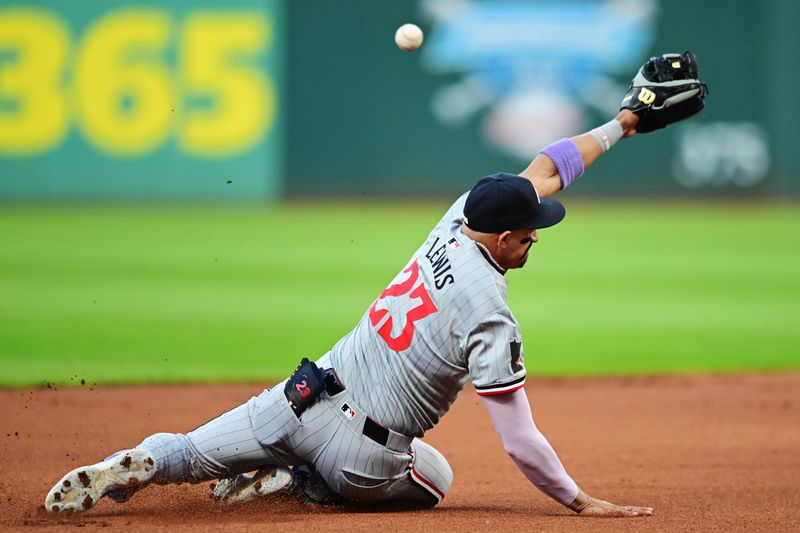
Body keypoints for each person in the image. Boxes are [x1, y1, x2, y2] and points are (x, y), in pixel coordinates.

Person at [44, 109, 653, 518]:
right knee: (435, 477)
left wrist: (624, 121)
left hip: (301, 395)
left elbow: (546, 170)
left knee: (189, 453)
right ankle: (307, 482)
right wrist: (582, 502)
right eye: (528, 233)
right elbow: (519, 440)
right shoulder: (490, 312)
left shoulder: (460, 216)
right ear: (498, 238)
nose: (536, 238)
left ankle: (147, 461)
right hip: (364, 458)